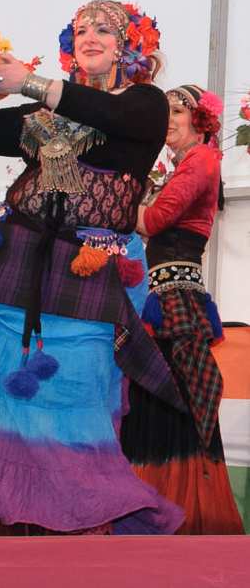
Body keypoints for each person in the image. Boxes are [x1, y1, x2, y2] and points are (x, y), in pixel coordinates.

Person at [0, 0, 185, 535]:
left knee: (78, 390)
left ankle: (82, 524)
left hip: (86, 271)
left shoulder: (146, 104)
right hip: (15, 259)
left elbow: (111, 116)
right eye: (81, 30)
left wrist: (27, 82)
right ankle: (18, 523)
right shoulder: (44, 116)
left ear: (129, 46)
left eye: (104, 30)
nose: (89, 36)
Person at [121, 84, 245, 534]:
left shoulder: (203, 159)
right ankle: (158, 508)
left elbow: (154, 221)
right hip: (163, 297)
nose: (168, 119)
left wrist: (113, 197)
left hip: (178, 299)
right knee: (156, 402)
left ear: (201, 120)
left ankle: (181, 510)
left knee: (171, 401)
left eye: (178, 110)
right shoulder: (182, 166)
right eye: (165, 111)